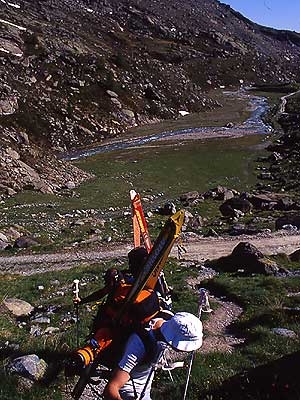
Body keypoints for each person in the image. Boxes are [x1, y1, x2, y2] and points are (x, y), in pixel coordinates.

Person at [103, 311, 203, 400]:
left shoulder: (166, 319)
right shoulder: (138, 345)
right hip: (130, 393)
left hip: (144, 390)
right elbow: (112, 388)